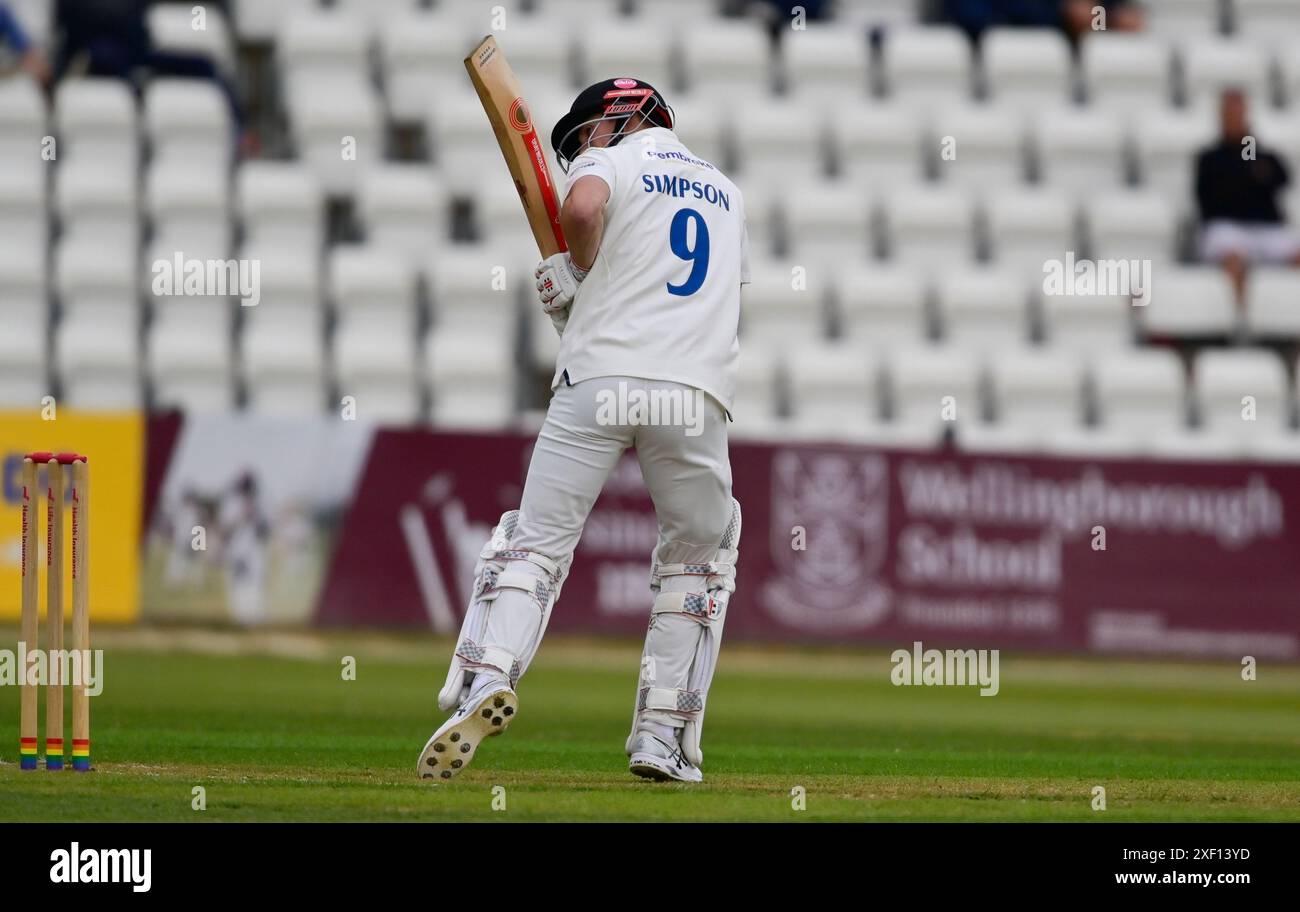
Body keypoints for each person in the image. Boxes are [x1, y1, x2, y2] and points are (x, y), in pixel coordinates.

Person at [417, 78, 750, 784]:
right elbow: (701, 294)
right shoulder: (727, 193)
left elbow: (583, 207)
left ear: (624, 116)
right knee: (696, 566)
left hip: (600, 379)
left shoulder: (619, 159)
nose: (580, 152)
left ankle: (485, 683)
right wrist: (589, 292)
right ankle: (662, 739)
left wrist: (574, 276)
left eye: (586, 136)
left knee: (534, 546)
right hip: (692, 394)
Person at [1195, 88, 1300, 306]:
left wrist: (1249, 149)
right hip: (1228, 228)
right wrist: (1249, 176)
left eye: (1239, 112)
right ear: (1221, 116)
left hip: (1266, 229)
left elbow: (1274, 175)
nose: (1235, 118)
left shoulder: (1252, 149)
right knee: (1233, 258)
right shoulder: (1210, 157)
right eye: (1230, 112)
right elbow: (1220, 189)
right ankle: (1242, 323)